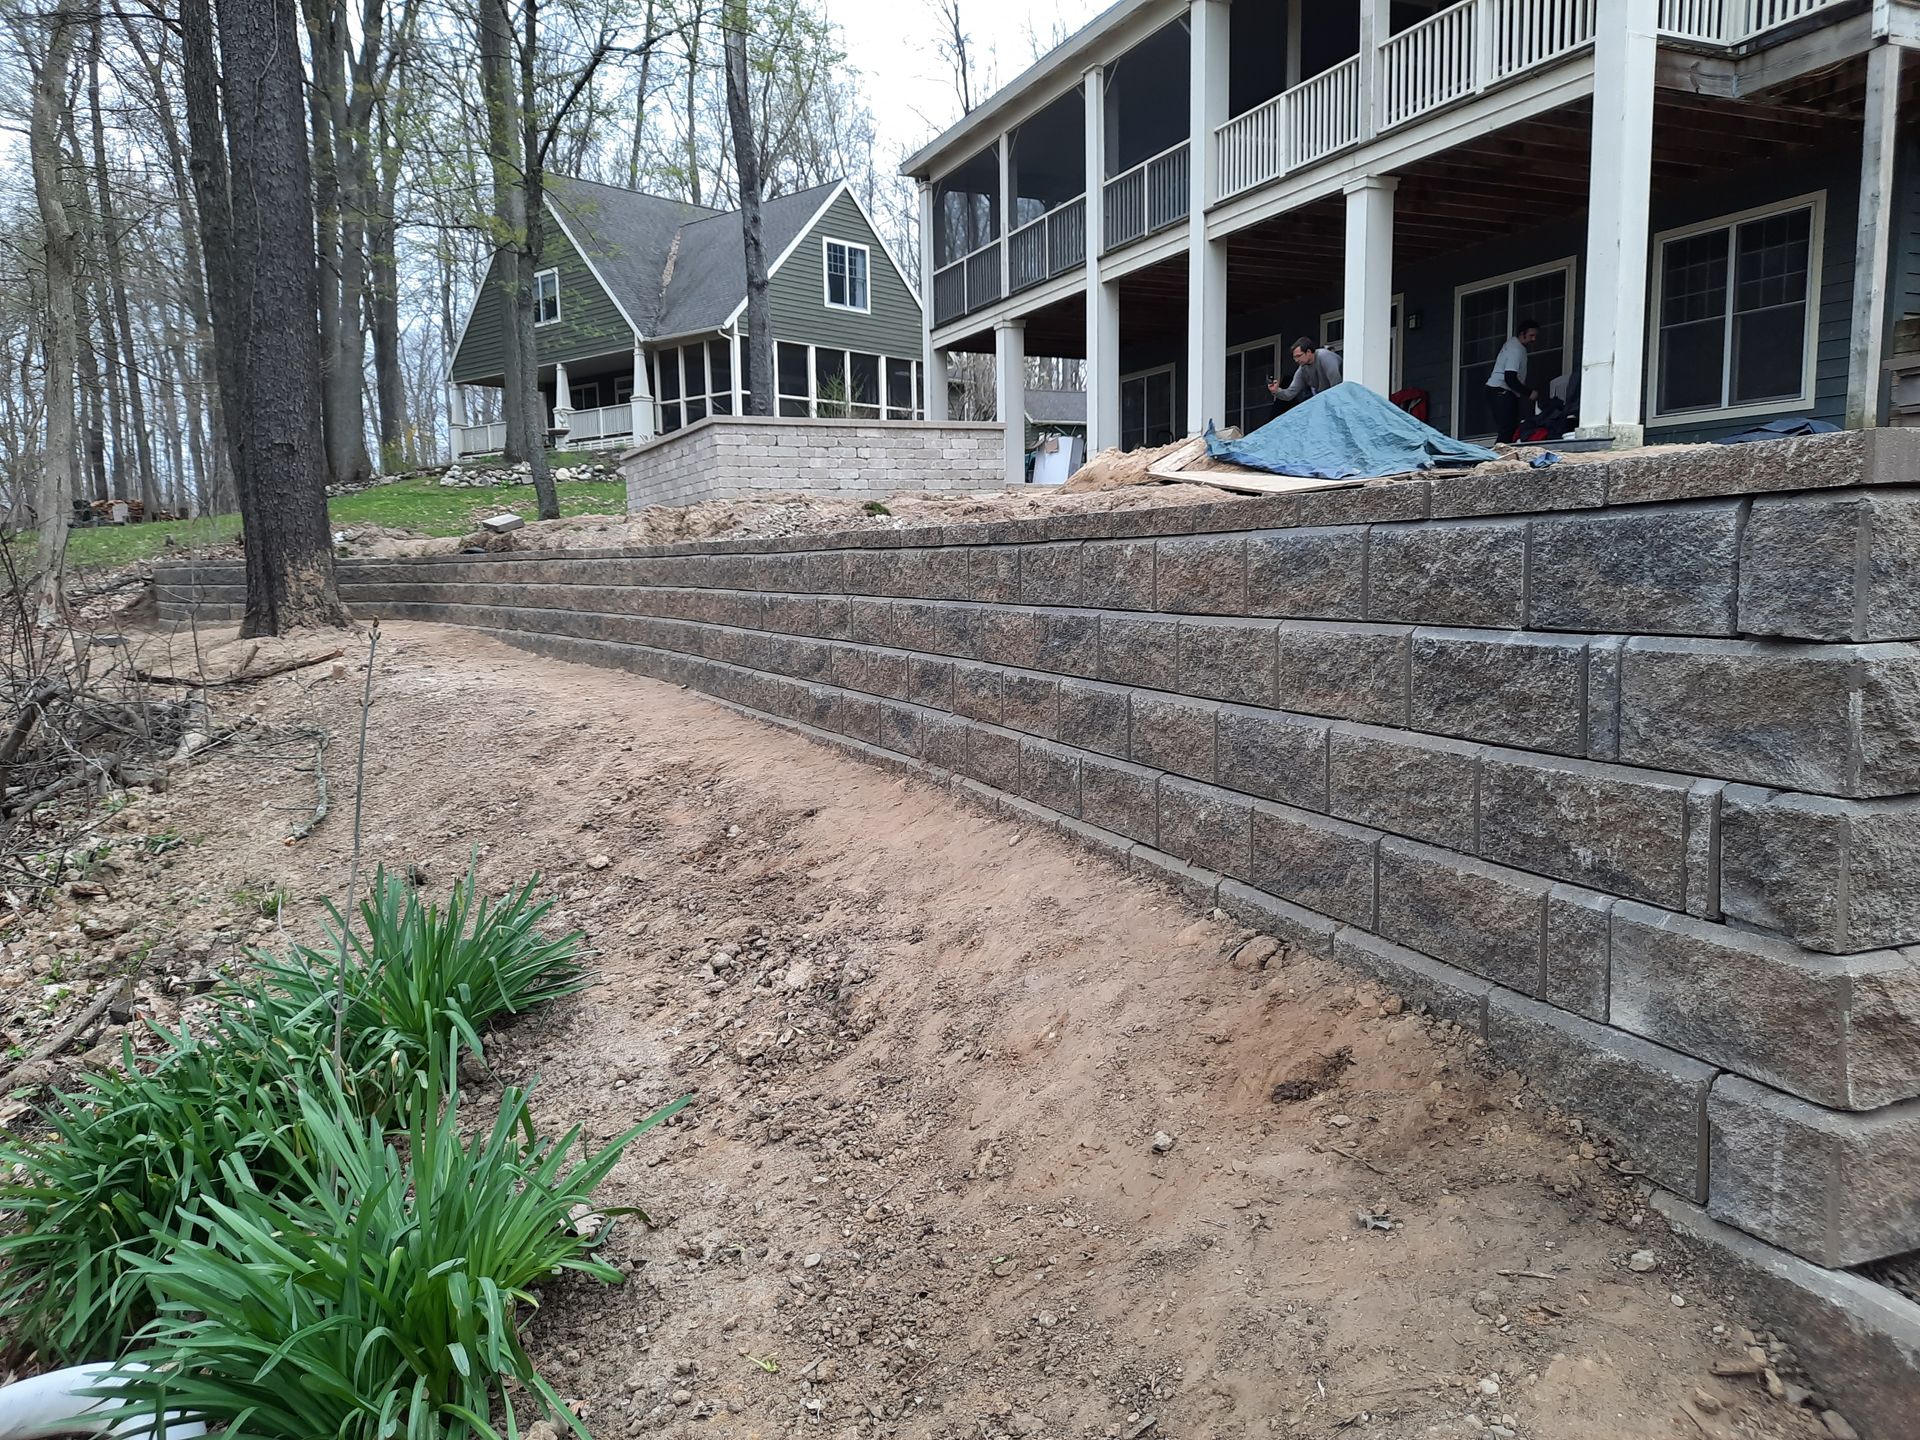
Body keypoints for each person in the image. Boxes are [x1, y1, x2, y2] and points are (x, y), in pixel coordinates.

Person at [1484, 319, 1540, 442]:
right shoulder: (1516, 349)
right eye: (1531, 335)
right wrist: (1529, 393)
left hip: (1501, 391)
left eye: (1535, 336)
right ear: (1522, 333)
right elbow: (1510, 378)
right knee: (1507, 427)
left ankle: (1502, 455)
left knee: (1509, 427)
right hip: (1500, 390)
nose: (1533, 339)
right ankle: (1499, 457)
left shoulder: (1515, 346)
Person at [1265, 337, 1342, 420]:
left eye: (1298, 356)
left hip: (1341, 400)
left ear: (1308, 352)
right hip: (1326, 402)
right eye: (1294, 357)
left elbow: (1336, 385)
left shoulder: (1324, 356)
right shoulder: (1302, 370)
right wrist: (1276, 391)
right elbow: (1290, 394)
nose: (1296, 360)